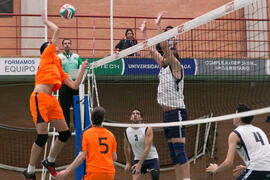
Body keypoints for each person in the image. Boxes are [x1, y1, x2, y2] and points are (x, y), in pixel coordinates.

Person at [22, 13, 88, 180]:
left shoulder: (58, 65)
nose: (55, 45)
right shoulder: (46, 56)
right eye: (50, 44)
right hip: (39, 98)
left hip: (52, 100)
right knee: (42, 136)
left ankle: (50, 161)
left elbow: (74, 85)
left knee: (65, 134)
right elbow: (57, 30)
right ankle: (30, 170)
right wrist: (46, 22)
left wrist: (82, 69)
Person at [140, 11, 190, 180]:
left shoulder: (176, 68)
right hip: (167, 114)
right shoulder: (163, 68)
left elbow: (163, 47)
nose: (162, 58)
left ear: (171, 58)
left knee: (180, 152)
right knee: (173, 154)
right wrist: (145, 32)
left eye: (165, 57)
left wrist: (158, 26)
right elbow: (152, 49)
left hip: (177, 113)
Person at [206, 104, 270, 179]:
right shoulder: (259, 130)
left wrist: (216, 169)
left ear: (239, 118)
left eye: (235, 114)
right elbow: (265, 156)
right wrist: (248, 167)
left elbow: (228, 163)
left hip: (256, 168)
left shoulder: (235, 134)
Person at [55, 106, 117, 180]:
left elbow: (82, 155)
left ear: (91, 119)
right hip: (109, 173)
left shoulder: (86, 134)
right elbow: (114, 158)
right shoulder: (110, 135)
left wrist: (67, 171)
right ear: (103, 119)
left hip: (94, 172)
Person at [124, 108, 160, 180]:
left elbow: (147, 148)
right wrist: (128, 162)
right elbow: (126, 147)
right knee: (135, 178)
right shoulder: (127, 131)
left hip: (152, 157)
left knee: (155, 177)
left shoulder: (147, 128)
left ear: (141, 118)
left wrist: (139, 164)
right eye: (133, 114)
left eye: (137, 114)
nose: (135, 115)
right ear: (130, 118)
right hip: (138, 158)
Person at [58, 38, 82, 128]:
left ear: (71, 45)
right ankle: (66, 126)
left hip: (75, 86)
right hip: (64, 86)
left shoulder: (76, 57)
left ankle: (77, 126)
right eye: (65, 43)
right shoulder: (59, 57)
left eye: (68, 43)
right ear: (63, 45)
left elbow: (81, 67)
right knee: (65, 108)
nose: (67, 45)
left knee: (77, 107)